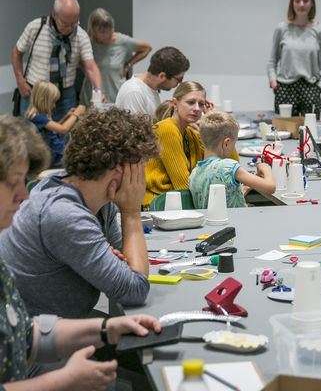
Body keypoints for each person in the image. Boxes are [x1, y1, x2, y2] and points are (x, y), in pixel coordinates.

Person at [0, 115, 161, 390]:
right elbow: (132, 287)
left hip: (46, 333)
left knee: (150, 358)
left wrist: (104, 330)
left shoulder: (97, 203)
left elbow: (25, 333)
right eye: (14, 182)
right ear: (119, 172)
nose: (24, 196)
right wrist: (132, 211)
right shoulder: (61, 213)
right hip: (28, 366)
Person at [144, 81, 239, 206]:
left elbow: (228, 162)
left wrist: (215, 126)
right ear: (175, 103)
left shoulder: (190, 133)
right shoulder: (167, 129)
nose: (196, 109)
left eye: (201, 104)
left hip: (177, 203)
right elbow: (183, 186)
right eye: (190, 102)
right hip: (159, 205)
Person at [12, 0, 103, 121]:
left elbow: (91, 67)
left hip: (64, 96)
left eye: (74, 23)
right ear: (54, 15)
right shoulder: (36, 27)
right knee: (31, 136)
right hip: (34, 93)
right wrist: (20, 80)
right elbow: (17, 52)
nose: (69, 28)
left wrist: (97, 90)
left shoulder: (81, 36)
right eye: (65, 24)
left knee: (62, 136)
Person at [267, 0, 321, 118]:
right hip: (284, 89)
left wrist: (318, 88)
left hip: (310, 88)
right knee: (283, 133)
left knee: (309, 135)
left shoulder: (320, 30)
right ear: (292, 3)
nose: (301, 4)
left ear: (312, 3)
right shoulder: (282, 29)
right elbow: (272, 61)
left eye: (305, 0)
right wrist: (273, 82)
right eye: (297, 0)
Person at [189, 111, 275, 208]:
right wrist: (266, 168)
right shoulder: (228, 166)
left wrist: (246, 188)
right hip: (238, 222)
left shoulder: (194, 173)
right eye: (234, 144)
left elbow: (222, 202)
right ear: (226, 143)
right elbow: (270, 188)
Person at [80, 8, 152, 106]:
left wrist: (128, 65)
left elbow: (146, 48)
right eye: (102, 32)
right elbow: (79, 62)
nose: (107, 35)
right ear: (93, 30)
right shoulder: (87, 42)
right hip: (92, 95)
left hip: (115, 94)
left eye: (110, 31)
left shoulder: (122, 41)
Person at [25, 80, 85, 168]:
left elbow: (53, 129)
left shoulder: (41, 115)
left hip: (56, 154)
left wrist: (66, 117)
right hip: (53, 159)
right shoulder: (36, 117)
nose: (54, 106)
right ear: (43, 100)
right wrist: (77, 113)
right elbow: (63, 129)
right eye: (52, 102)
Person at [116, 46, 189, 116]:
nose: (179, 83)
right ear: (162, 76)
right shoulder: (134, 92)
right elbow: (135, 128)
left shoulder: (150, 90)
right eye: (179, 79)